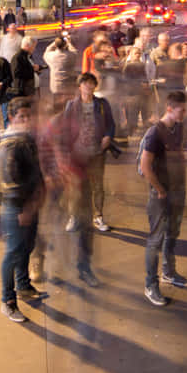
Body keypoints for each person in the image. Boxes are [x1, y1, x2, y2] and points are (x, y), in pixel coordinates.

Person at [56, 73, 116, 283]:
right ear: (80, 86)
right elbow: (64, 130)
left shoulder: (102, 104)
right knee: (76, 187)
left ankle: (98, 216)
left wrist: (108, 136)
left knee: (98, 186)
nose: (88, 88)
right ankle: (74, 216)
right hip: (78, 153)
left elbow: (110, 123)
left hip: (97, 153)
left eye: (91, 85)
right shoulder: (72, 106)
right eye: (85, 84)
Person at [0, 99, 48, 323]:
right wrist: (25, 208)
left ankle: (23, 285)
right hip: (17, 207)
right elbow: (10, 180)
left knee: (26, 247)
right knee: (13, 253)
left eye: (29, 116)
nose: (27, 121)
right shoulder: (11, 144)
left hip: (30, 204)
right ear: (11, 118)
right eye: (22, 117)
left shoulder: (27, 138)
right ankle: (8, 301)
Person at [138, 92, 187, 306]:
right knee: (155, 239)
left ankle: (169, 272)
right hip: (161, 194)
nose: (184, 113)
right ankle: (150, 284)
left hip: (177, 190)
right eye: (181, 109)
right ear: (169, 108)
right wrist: (160, 190)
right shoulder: (155, 133)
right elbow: (145, 166)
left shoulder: (177, 128)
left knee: (172, 233)